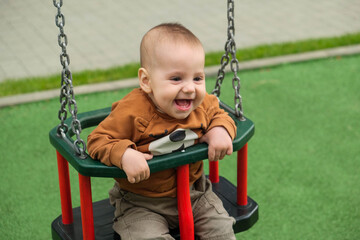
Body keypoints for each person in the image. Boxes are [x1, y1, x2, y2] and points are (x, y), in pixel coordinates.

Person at [87, 23, 237, 240]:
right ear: (146, 81)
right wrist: (125, 154)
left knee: (221, 232)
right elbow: (97, 139)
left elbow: (219, 115)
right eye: (176, 78)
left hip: (196, 194)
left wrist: (220, 131)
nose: (189, 88)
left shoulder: (202, 104)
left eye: (197, 78)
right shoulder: (132, 111)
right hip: (141, 202)